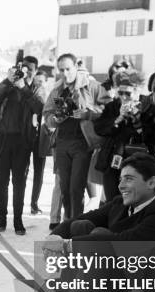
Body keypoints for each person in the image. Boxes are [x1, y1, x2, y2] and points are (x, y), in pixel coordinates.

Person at [47, 153, 155, 292]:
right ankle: (70, 290)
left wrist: (66, 245)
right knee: (81, 226)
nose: (121, 185)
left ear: (151, 183)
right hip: (124, 271)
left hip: (151, 285)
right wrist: (53, 239)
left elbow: (126, 243)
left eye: (129, 179)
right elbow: (82, 218)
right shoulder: (121, 203)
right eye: (121, 179)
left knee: (99, 237)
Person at [0, 55, 46, 235]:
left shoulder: (36, 88)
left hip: (23, 140)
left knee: (19, 182)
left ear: (35, 71)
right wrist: (8, 80)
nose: (25, 71)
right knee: (1, 181)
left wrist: (24, 87)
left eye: (30, 68)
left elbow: (40, 108)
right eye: (23, 67)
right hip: (2, 139)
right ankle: (2, 219)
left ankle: (18, 220)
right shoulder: (9, 83)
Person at [43, 53, 102, 220]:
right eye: (61, 70)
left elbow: (106, 110)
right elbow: (47, 116)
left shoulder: (91, 86)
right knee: (65, 188)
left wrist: (87, 113)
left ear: (76, 66)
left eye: (68, 68)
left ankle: (76, 227)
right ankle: (68, 223)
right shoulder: (57, 90)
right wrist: (55, 119)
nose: (65, 73)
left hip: (82, 143)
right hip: (62, 143)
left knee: (76, 188)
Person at [94, 70, 155, 201]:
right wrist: (117, 119)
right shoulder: (113, 106)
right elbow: (99, 128)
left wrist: (138, 123)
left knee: (134, 199)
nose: (124, 97)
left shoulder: (150, 108)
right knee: (112, 199)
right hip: (113, 159)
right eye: (120, 93)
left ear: (137, 92)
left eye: (128, 93)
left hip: (138, 162)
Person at [30, 70, 50, 215]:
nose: (38, 84)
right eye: (36, 81)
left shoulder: (49, 96)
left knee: (39, 172)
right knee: (23, 172)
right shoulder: (28, 94)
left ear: (46, 82)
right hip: (27, 136)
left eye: (41, 81)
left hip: (41, 137)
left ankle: (34, 203)